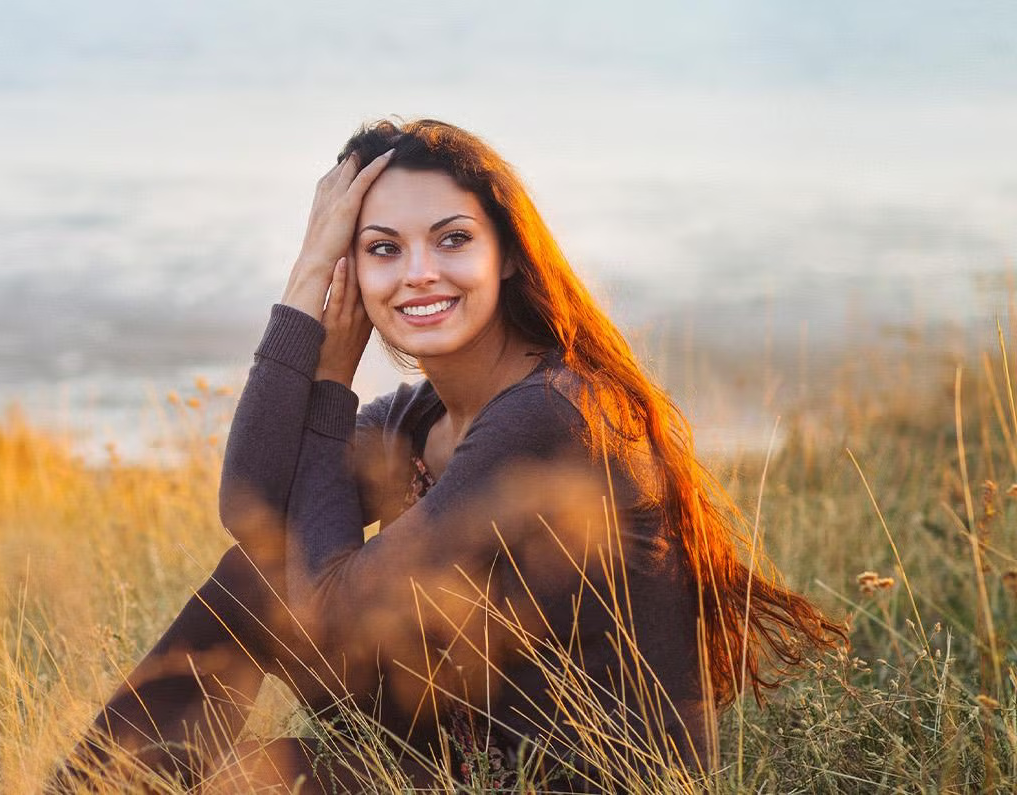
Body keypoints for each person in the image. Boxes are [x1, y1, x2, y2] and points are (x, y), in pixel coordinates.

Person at [52, 119, 845, 792]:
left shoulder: (552, 414)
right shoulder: (421, 417)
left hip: (586, 775)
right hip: (469, 747)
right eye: (382, 249)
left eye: (452, 239)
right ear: (352, 272)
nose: (420, 272)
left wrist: (329, 377)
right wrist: (304, 283)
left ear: (506, 253)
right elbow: (251, 510)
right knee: (254, 587)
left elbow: (333, 615)